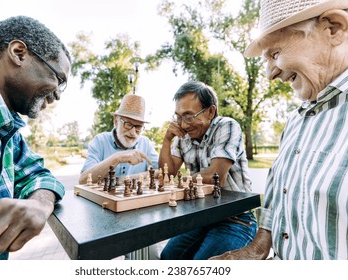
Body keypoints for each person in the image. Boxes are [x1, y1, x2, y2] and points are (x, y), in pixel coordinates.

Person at [210, 0, 348, 260]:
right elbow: (281, 195)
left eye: (275, 54)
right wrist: (258, 247)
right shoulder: (298, 119)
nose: (269, 74)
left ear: (333, 28)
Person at [0, 16, 71, 260]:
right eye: (59, 79)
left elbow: (38, 174)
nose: (58, 96)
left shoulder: (7, 129)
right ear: (19, 53)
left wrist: (40, 204)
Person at [159, 81, 257, 260]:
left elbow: (215, 176)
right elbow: (166, 175)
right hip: (200, 217)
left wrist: (182, 181)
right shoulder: (183, 137)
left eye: (189, 116)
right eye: (178, 117)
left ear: (210, 111)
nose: (184, 125)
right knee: (167, 257)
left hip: (235, 219)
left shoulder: (226, 126)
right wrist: (166, 139)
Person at [79, 94, 159, 185]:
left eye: (138, 127)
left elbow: (162, 171)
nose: (133, 132)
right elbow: (83, 180)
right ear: (116, 121)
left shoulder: (146, 144)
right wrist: (117, 158)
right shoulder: (100, 141)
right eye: (128, 124)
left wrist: (129, 178)